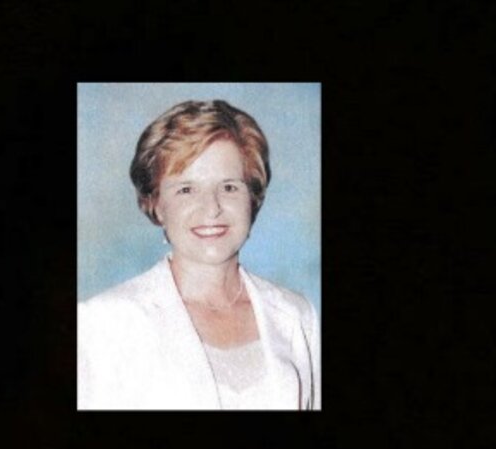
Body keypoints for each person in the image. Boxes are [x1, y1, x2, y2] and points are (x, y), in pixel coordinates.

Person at [77, 100, 320, 410]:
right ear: (156, 204)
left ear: (252, 197)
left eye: (229, 187)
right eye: (186, 189)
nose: (212, 208)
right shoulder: (104, 322)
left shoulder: (296, 316)